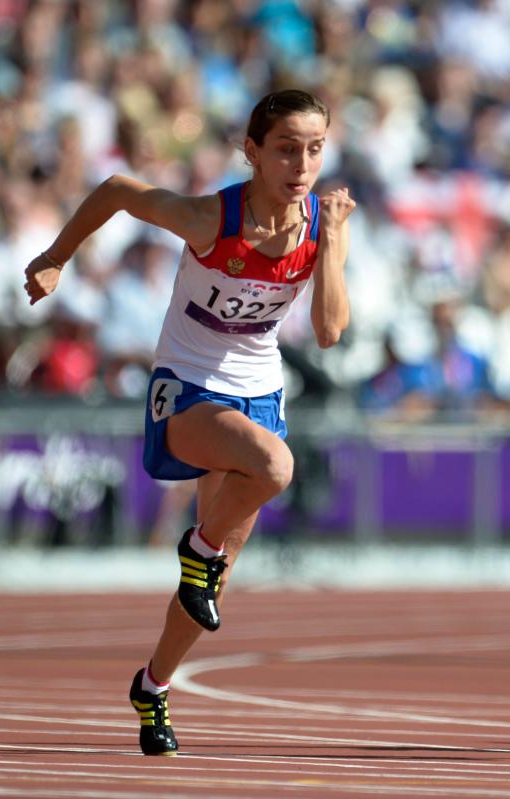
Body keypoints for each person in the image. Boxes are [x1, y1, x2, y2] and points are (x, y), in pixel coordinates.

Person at [23, 89, 355, 756]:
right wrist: (58, 256)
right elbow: (118, 189)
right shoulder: (212, 218)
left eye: (314, 148)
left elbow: (327, 331)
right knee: (277, 466)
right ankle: (197, 549)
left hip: (260, 395)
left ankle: (153, 685)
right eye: (286, 148)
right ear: (252, 152)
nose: (301, 163)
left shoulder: (321, 226)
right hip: (188, 389)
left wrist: (335, 243)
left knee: (213, 585)